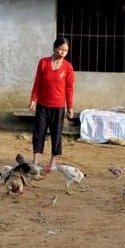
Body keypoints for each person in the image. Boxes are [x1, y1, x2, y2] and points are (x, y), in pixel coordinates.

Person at [29, 36, 75, 173]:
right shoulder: (43, 62)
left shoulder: (68, 67)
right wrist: (33, 99)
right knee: (39, 133)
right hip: (42, 105)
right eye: (60, 49)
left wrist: (70, 107)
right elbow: (37, 83)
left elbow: (69, 89)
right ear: (55, 48)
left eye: (65, 50)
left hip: (59, 107)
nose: (62, 52)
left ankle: (52, 163)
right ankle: (35, 162)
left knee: (56, 134)